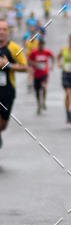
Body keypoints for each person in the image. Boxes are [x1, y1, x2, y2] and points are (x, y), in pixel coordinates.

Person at [0, 19, 28, 148]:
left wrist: (8, 65)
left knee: (2, 125)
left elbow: (25, 67)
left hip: (7, 91)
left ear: (8, 31)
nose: (1, 32)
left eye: (4, 29)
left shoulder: (14, 48)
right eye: (0, 29)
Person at [28, 36, 54, 114]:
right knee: (37, 91)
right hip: (36, 74)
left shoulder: (47, 52)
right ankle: (39, 104)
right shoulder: (34, 52)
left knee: (44, 86)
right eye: (40, 45)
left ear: (44, 45)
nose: (41, 46)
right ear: (38, 45)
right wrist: (34, 64)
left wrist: (52, 65)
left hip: (44, 73)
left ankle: (44, 101)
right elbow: (29, 60)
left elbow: (52, 57)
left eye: (42, 45)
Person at [57, 36, 71, 124]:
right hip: (66, 73)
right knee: (67, 93)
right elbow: (58, 57)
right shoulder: (64, 49)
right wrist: (59, 63)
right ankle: (68, 114)